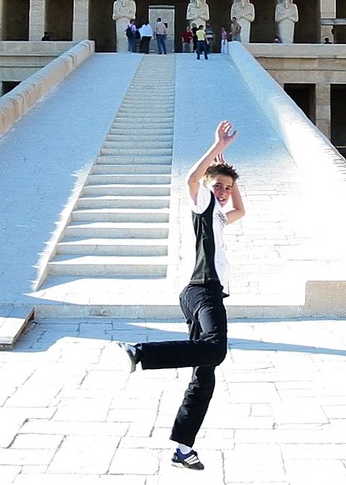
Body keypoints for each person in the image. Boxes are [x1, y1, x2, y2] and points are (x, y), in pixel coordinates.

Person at [115, 120, 246, 471]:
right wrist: (214, 149)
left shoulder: (218, 214)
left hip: (201, 292)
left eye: (227, 188)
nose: (222, 192)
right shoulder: (202, 204)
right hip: (203, 290)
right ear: (208, 186)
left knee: (204, 374)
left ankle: (182, 448)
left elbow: (241, 212)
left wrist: (232, 179)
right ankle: (138, 352)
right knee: (216, 348)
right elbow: (192, 179)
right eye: (218, 186)